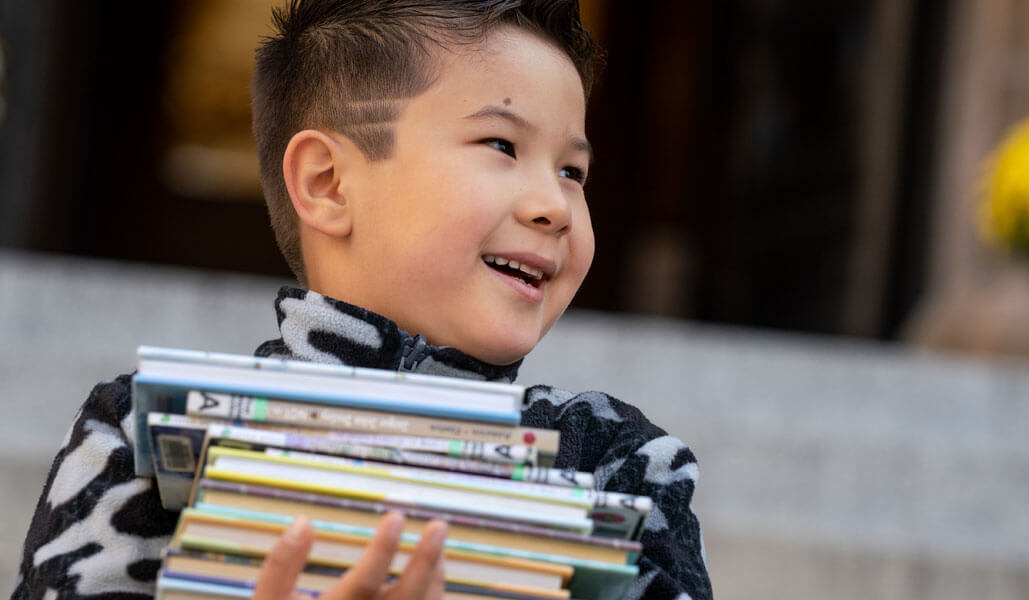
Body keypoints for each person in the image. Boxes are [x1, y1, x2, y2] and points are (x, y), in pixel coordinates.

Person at [12, 1, 712, 599]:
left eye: (572, 170)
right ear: (327, 183)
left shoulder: (619, 461)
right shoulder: (140, 437)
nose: (555, 205)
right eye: (502, 144)